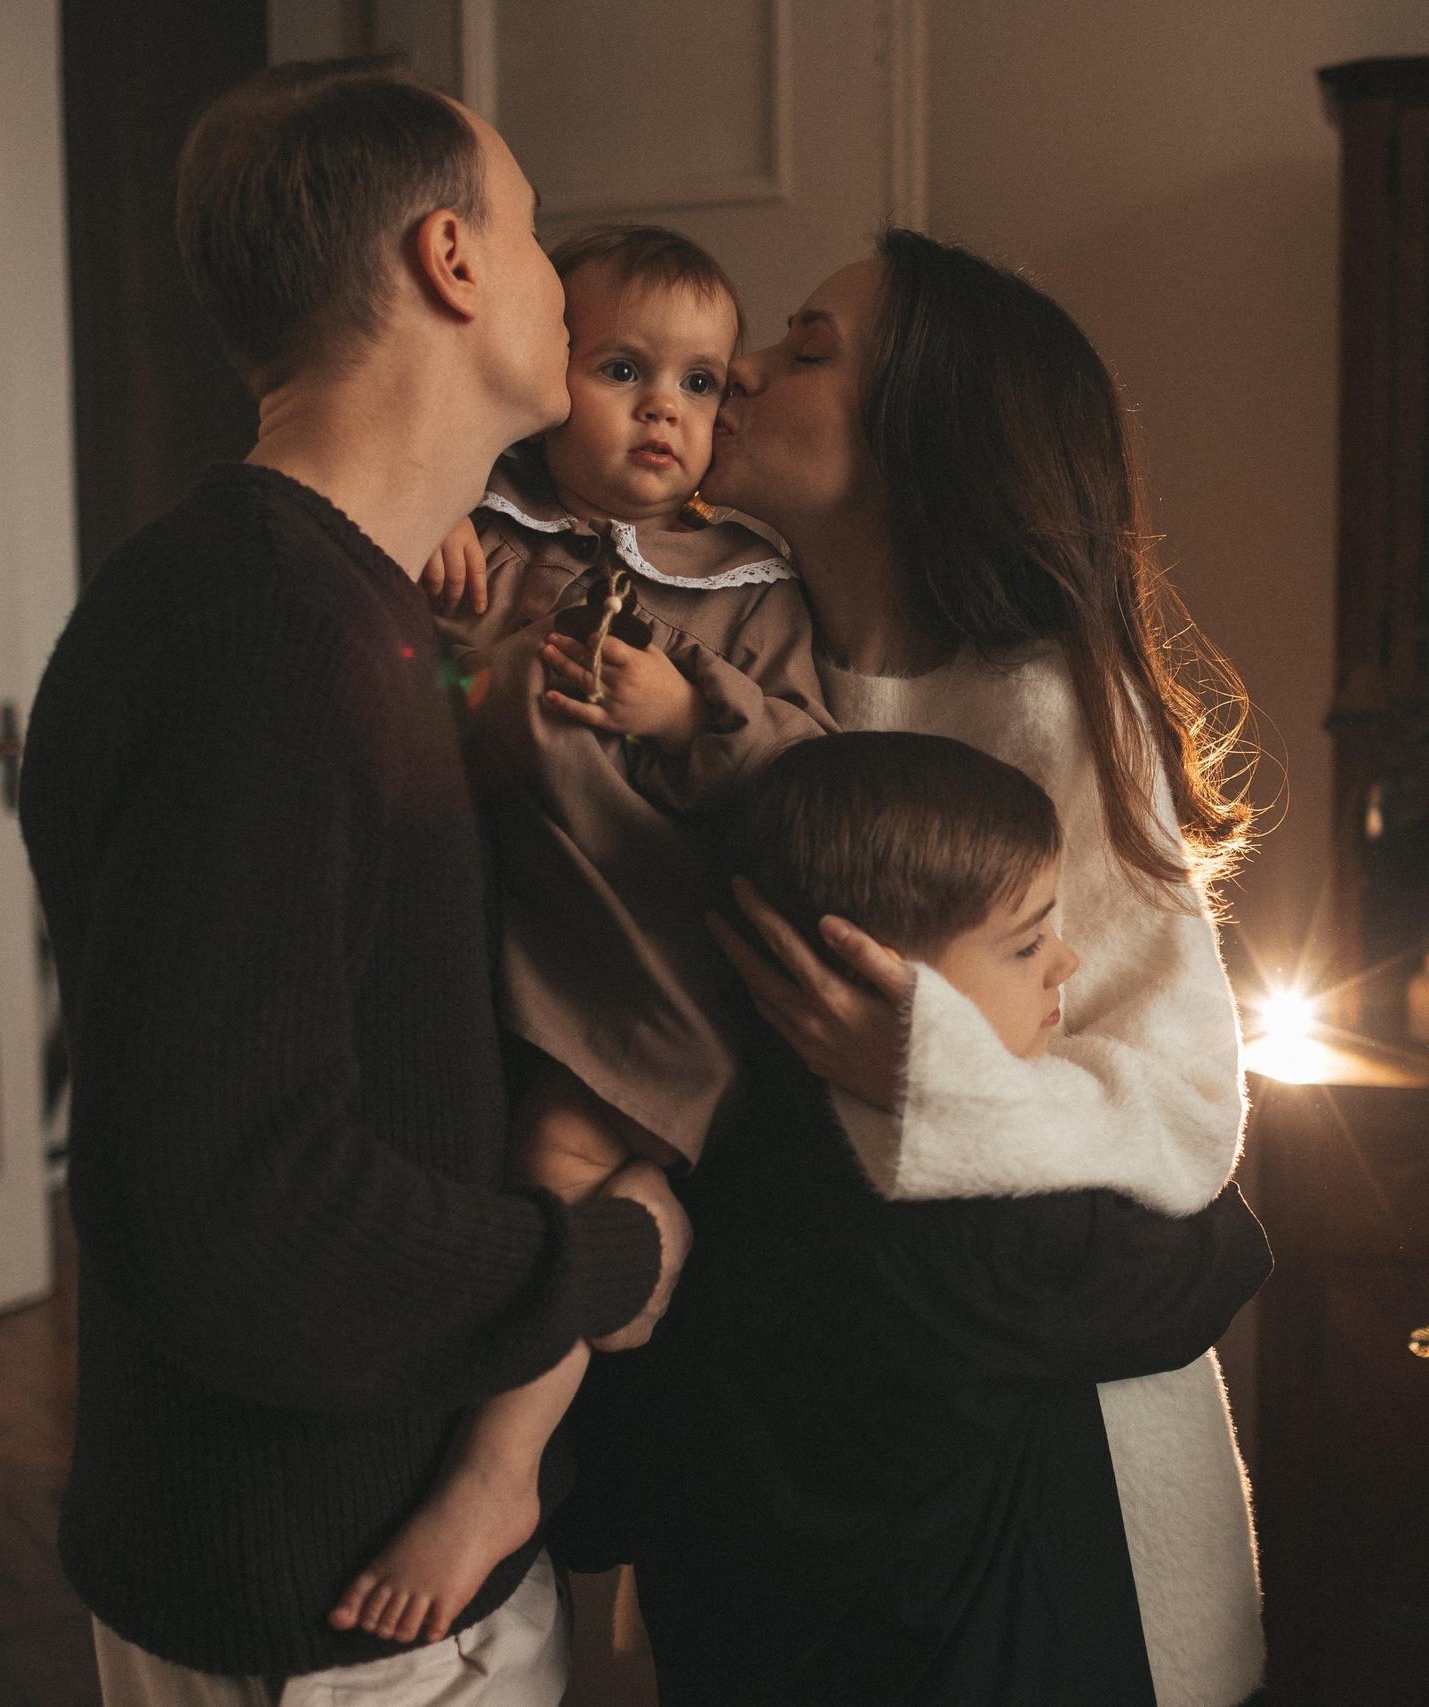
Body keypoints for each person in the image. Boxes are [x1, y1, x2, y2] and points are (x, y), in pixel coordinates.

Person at [16, 56, 689, 1706]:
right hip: (336, 1607)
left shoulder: (333, 607)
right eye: (530, 233)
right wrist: (608, 1262)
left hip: (319, 1565)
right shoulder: (261, 639)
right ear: (449, 263)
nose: (552, 272)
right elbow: (239, 1208)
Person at [589, 231, 1269, 1705]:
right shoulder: (719, 664)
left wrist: (920, 1060)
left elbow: (1184, 1111)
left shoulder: (1055, 710)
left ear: (931, 431)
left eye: (810, 346)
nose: (742, 368)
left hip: (1033, 1491)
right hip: (786, 1473)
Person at [328, 224, 832, 1646]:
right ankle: (645, 1231)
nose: (664, 408)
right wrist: (433, 598)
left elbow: (815, 769)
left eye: (701, 380)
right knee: (506, 1169)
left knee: (551, 1168)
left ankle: (496, 1478)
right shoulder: (485, 531)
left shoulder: (750, 586)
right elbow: (414, 712)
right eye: (622, 369)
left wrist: (690, 713)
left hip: (657, 947)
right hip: (508, 930)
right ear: (553, 380)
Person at [570, 730, 1268, 1704]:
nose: (1064, 962)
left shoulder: (702, 1142)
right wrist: (958, 1078)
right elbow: (1222, 1255)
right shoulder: (957, 1218)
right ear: (859, 970)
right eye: (1025, 940)